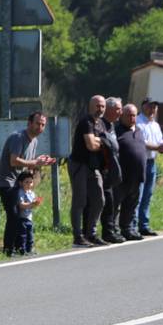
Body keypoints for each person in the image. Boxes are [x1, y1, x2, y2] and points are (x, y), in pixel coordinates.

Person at [0, 111, 54, 255]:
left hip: (18, 183)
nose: (40, 127)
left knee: (20, 215)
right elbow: (13, 161)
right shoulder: (18, 137)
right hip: (7, 182)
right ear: (29, 123)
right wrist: (34, 162)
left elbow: (28, 166)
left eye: (43, 125)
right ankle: (9, 249)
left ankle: (21, 247)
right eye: (37, 123)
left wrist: (40, 163)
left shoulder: (34, 141)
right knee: (14, 215)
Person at [69, 95, 107, 247]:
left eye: (103, 106)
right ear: (90, 106)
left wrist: (99, 141)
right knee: (80, 201)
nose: (100, 109)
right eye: (97, 105)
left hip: (94, 166)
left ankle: (91, 234)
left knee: (99, 199)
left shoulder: (101, 124)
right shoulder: (86, 122)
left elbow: (100, 142)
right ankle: (78, 237)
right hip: (79, 165)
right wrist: (102, 142)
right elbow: (91, 145)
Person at [135, 99, 163, 236]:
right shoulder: (137, 122)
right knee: (138, 194)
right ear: (143, 106)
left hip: (152, 162)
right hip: (140, 162)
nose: (153, 110)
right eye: (150, 106)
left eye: (155, 107)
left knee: (148, 194)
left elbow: (159, 144)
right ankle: (133, 226)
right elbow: (142, 143)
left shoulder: (155, 125)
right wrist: (160, 147)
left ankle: (144, 225)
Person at [112, 104, 147, 241]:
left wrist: (160, 147)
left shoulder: (138, 130)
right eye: (129, 115)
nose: (132, 118)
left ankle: (128, 229)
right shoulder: (117, 131)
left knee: (131, 205)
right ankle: (113, 230)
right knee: (116, 205)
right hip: (122, 176)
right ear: (122, 116)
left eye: (134, 115)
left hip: (137, 176)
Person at [99, 97, 124, 243]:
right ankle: (107, 232)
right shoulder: (101, 125)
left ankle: (112, 229)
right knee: (107, 202)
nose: (120, 112)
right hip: (104, 170)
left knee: (113, 202)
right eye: (118, 109)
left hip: (112, 171)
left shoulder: (111, 125)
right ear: (108, 109)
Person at [12, 171, 43, 255]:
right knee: (22, 235)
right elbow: (21, 205)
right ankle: (22, 250)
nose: (29, 184)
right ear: (20, 183)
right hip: (21, 218)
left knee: (30, 235)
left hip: (29, 218)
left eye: (31, 182)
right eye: (26, 182)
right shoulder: (20, 192)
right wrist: (32, 204)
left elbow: (32, 205)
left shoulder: (31, 193)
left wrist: (36, 203)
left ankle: (29, 250)